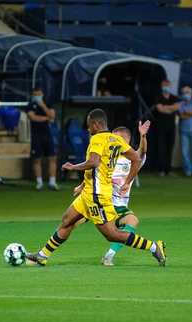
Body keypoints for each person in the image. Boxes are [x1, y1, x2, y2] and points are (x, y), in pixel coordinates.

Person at [25, 109, 166, 267]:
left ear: (96, 125)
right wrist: (126, 182)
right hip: (88, 193)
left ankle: (153, 247)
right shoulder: (115, 139)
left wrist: (73, 167)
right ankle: (43, 255)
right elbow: (136, 159)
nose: (88, 128)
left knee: (112, 234)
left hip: (97, 195)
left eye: (89, 125)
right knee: (67, 221)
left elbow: (93, 162)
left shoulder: (97, 139)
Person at [73, 121, 150, 266]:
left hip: (118, 206)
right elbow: (93, 173)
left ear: (124, 141)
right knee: (71, 223)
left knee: (132, 221)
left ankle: (109, 256)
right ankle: (44, 252)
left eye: (115, 138)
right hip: (100, 200)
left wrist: (143, 136)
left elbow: (142, 151)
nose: (111, 141)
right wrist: (81, 186)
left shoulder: (131, 160)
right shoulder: (107, 158)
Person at [28, 88, 59, 191]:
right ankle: (39, 182)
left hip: (47, 134)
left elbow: (52, 115)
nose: (37, 95)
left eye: (39, 93)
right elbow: (33, 117)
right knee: (37, 159)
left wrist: (43, 106)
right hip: (36, 135)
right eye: (35, 93)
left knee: (52, 157)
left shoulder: (47, 104)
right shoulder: (30, 105)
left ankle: (52, 182)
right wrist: (46, 118)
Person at [153, 80, 180, 177]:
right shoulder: (159, 97)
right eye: (164, 85)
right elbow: (160, 109)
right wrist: (170, 108)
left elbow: (177, 107)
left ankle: (169, 169)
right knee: (162, 148)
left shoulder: (174, 97)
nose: (166, 87)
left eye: (167, 85)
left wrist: (166, 108)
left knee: (170, 147)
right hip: (161, 126)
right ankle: (162, 169)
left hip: (171, 126)